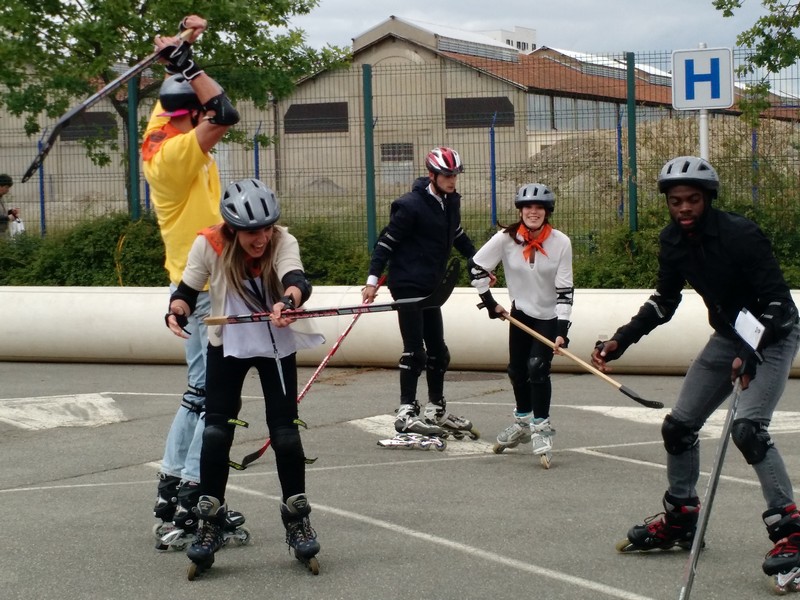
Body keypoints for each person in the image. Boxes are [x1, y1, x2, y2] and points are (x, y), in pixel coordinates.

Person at [590, 156, 800, 580]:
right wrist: (620, 339)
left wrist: (750, 351)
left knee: (747, 430)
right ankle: (682, 517)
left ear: (708, 199)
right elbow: (665, 302)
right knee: (678, 427)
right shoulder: (673, 241)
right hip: (728, 337)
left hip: (772, 334)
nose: (683, 208)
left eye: (692, 200)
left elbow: (778, 304)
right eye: (675, 201)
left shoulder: (741, 234)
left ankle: (792, 531)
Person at [165, 178, 324, 575]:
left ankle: (298, 520)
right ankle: (209, 525)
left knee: (286, 433)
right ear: (233, 228)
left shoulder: (282, 240)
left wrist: (289, 301)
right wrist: (177, 310)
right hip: (228, 342)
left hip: (274, 341)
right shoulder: (210, 244)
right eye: (253, 231)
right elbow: (185, 290)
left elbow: (296, 279)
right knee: (216, 432)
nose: (262, 237)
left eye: (268, 227)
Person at [142, 14, 242, 546]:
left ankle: (174, 486)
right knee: (207, 396)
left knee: (197, 395)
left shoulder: (163, 127)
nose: (212, 124)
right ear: (191, 118)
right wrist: (187, 63)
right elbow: (226, 110)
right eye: (201, 118)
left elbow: (181, 93)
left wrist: (183, 45)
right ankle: (187, 495)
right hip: (201, 290)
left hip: (201, 284)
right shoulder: (178, 155)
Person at [361, 146, 479, 438]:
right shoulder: (410, 205)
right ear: (432, 175)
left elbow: (457, 234)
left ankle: (435, 409)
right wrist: (372, 280)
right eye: (446, 175)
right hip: (408, 285)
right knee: (415, 350)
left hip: (431, 286)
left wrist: (479, 260)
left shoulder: (450, 202)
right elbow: (385, 243)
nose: (452, 180)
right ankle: (406, 412)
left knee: (439, 351)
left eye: (455, 174)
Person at [468, 183, 573, 468]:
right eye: (528, 207)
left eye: (539, 208)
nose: (533, 212)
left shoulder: (561, 243)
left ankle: (541, 428)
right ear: (520, 211)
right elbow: (476, 267)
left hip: (549, 316)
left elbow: (565, 290)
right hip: (520, 313)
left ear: (547, 212)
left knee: (537, 367)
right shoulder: (505, 239)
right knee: (516, 370)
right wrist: (490, 303)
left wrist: (563, 330)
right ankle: (523, 422)